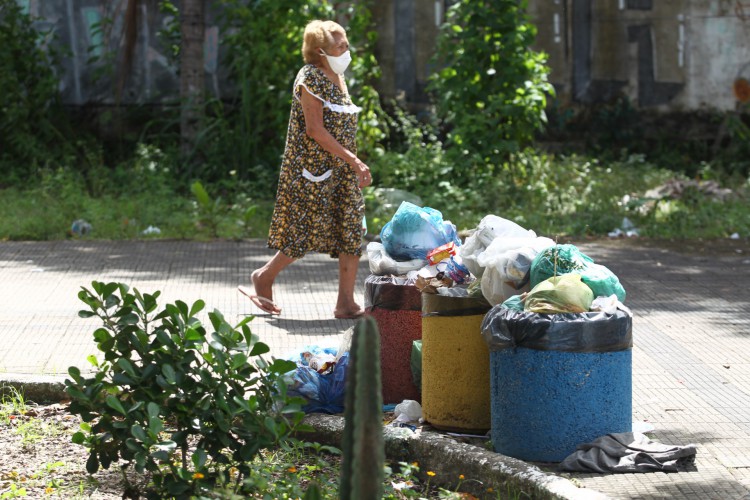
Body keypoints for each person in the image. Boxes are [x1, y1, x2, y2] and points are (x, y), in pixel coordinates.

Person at [238, 19, 372, 319]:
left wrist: (351, 162)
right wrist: (355, 160)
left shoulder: (338, 76)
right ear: (320, 51)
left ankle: (345, 303)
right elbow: (315, 130)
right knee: (302, 235)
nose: (346, 52)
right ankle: (264, 276)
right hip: (312, 171)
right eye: (340, 47)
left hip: (342, 171)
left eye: (347, 44)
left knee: (350, 230)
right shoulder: (309, 77)